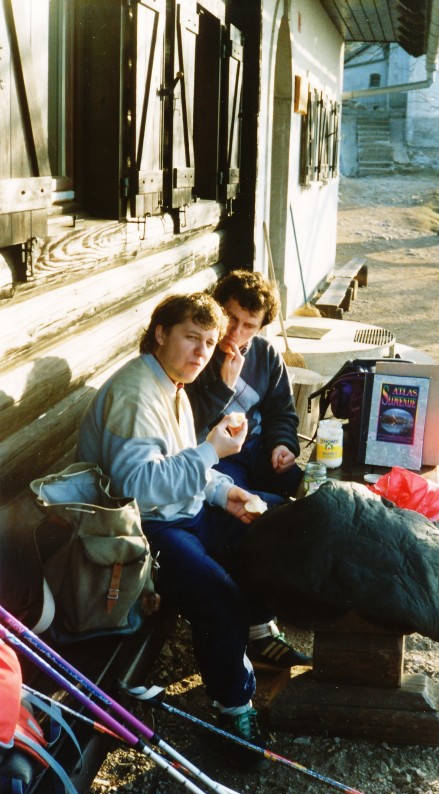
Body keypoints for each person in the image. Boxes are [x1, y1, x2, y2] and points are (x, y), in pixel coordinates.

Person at [76, 293, 309, 766]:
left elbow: (188, 466)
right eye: (191, 338)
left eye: (208, 341)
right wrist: (212, 451)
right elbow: (138, 485)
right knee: (218, 596)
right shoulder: (136, 393)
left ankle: (260, 630)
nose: (202, 352)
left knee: (277, 523)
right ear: (161, 333)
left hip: (182, 513)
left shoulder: (173, 384)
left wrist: (227, 494)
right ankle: (233, 710)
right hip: (143, 531)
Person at [186, 269, 303, 498]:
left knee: (310, 492)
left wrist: (283, 444)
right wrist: (223, 387)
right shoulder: (197, 354)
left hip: (259, 448)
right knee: (256, 506)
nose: (235, 332)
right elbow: (187, 423)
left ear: (260, 328)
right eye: (231, 317)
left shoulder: (266, 354)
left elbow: (281, 413)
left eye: (249, 325)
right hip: (217, 456)